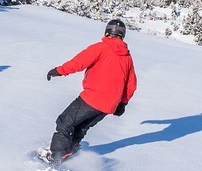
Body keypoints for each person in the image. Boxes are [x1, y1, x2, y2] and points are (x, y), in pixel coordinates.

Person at [38, 18, 137, 163]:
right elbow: (131, 84)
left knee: (65, 122)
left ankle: (56, 155)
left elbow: (79, 63)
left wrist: (59, 71)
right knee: (82, 126)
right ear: (123, 35)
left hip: (92, 98)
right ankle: (70, 149)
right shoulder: (127, 57)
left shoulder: (101, 48)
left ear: (107, 32)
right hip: (109, 105)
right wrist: (122, 104)